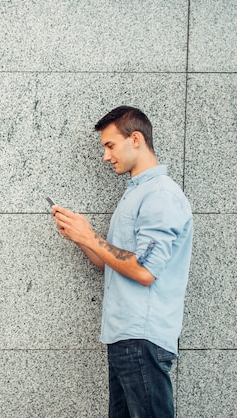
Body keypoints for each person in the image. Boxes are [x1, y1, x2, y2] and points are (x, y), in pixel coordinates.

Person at [51, 106, 193, 417]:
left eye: (110, 145)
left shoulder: (160, 195)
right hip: (125, 337)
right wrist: (80, 238)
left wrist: (91, 237)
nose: (105, 156)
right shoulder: (137, 193)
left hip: (142, 337)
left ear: (136, 139)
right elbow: (115, 264)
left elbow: (144, 270)